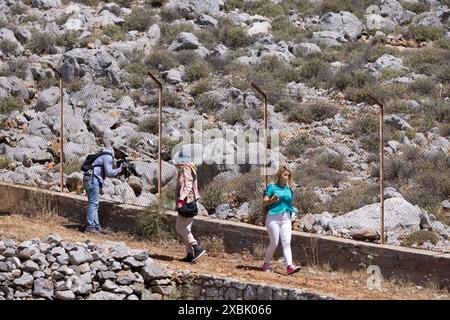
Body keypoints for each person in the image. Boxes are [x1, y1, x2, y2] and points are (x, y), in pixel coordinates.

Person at [261, 165, 301, 275]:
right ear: (280, 174)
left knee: (287, 242)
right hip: (273, 218)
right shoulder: (272, 187)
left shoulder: (289, 190)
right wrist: (271, 201)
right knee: (274, 242)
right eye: (285, 175)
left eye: (289, 175)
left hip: (286, 219)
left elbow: (288, 203)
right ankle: (266, 264)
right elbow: (264, 202)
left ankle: (289, 266)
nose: (287, 177)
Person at [82, 146, 128, 234]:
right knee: (93, 203)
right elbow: (109, 172)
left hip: (91, 178)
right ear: (117, 151)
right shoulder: (108, 156)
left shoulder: (105, 153)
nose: (122, 157)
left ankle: (96, 226)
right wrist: (120, 169)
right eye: (122, 155)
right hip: (92, 179)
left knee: (95, 203)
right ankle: (90, 226)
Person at [173, 149, 205, 263]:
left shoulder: (186, 167)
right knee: (186, 228)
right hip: (191, 201)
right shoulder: (190, 167)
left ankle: (196, 247)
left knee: (180, 227)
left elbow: (188, 185)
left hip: (187, 201)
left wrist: (181, 200)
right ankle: (190, 254)